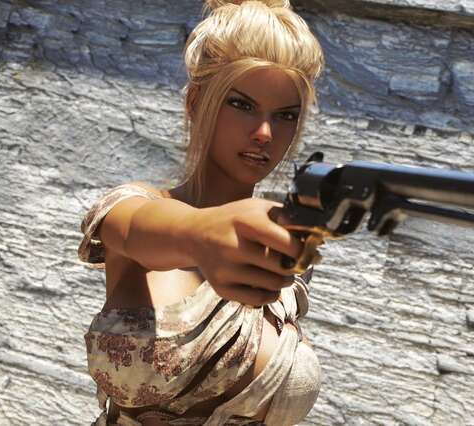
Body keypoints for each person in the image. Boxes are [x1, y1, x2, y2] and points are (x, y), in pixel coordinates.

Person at [77, 1, 325, 424]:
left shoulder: (281, 249)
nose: (265, 133)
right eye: (242, 105)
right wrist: (206, 234)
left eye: (286, 115)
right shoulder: (131, 208)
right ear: (196, 102)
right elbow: (137, 230)